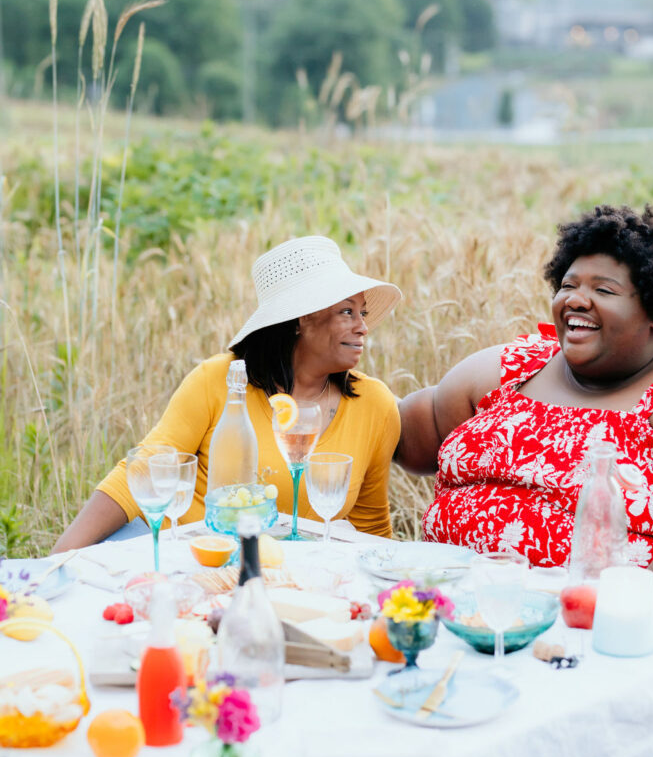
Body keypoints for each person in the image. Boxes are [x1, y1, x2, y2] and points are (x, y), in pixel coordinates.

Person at [396, 205, 653, 599]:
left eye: (603, 290)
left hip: (582, 633)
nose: (577, 300)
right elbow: (402, 429)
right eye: (568, 286)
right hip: (443, 608)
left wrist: (608, 619)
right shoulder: (512, 367)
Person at [53, 236, 401, 551]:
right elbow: (145, 470)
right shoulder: (219, 379)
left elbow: (369, 526)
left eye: (363, 313)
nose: (363, 327)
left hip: (285, 580)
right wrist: (56, 560)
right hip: (196, 558)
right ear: (303, 319)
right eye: (347, 312)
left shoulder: (375, 406)